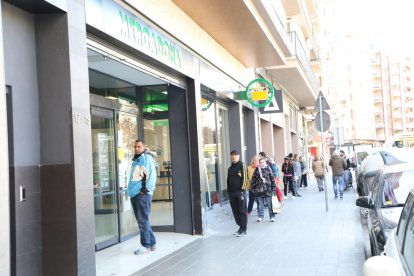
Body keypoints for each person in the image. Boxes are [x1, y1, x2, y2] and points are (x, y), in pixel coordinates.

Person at [128, 139, 157, 255]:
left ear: (144, 147)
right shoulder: (137, 160)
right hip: (135, 194)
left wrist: (144, 191)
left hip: (142, 195)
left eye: (139, 147)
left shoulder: (146, 159)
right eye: (135, 147)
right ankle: (152, 243)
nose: (136, 149)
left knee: (142, 221)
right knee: (143, 220)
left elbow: (152, 177)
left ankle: (145, 245)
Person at [227, 150, 248, 237]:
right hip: (231, 193)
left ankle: (243, 229)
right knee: (235, 211)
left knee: (242, 210)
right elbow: (228, 180)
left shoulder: (241, 165)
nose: (233, 156)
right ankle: (240, 227)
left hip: (240, 192)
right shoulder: (230, 168)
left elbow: (245, 178)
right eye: (232, 155)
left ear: (238, 156)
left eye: (235, 155)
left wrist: (242, 190)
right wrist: (228, 191)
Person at [251, 157, 276, 222]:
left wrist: (273, 188)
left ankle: (272, 216)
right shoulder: (257, 170)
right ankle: (260, 216)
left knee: (269, 205)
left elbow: (272, 179)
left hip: (268, 190)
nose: (262, 163)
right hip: (259, 190)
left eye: (263, 162)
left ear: (265, 162)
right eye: (260, 162)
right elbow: (253, 179)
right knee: (260, 205)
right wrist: (253, 188)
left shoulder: (269, 169)